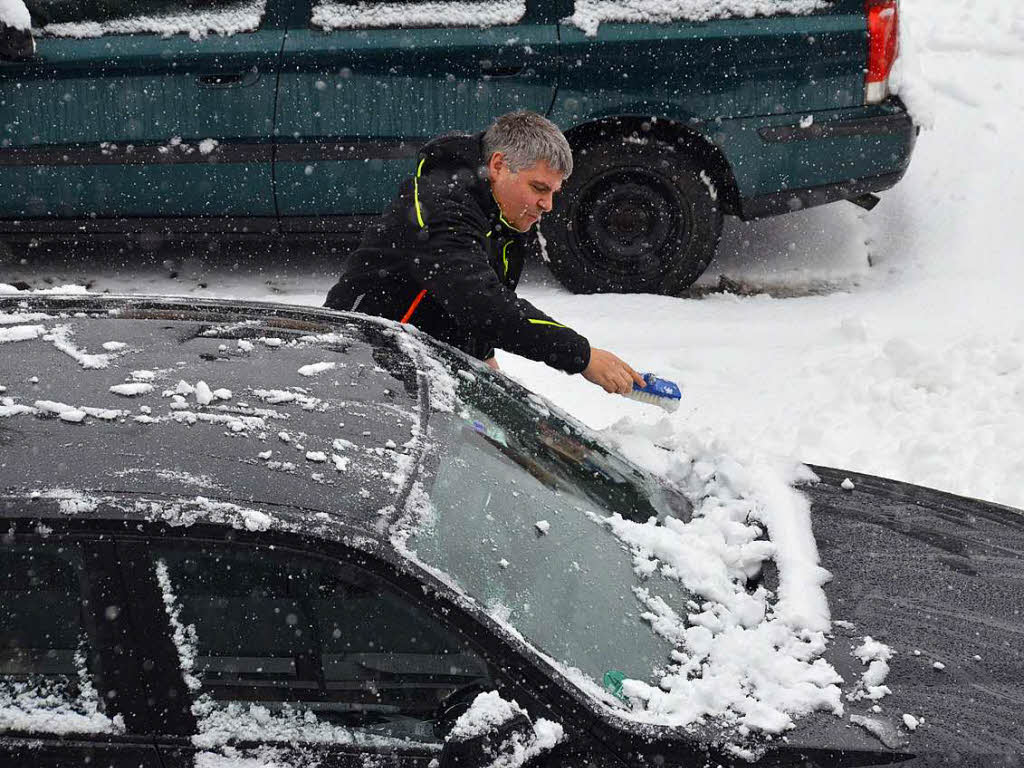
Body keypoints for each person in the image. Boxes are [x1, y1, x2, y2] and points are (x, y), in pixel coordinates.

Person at [324, 110, 645, 395]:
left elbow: (481, 297)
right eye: (539, 188)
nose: (547, 205)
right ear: (499, 165)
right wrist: (583, 355)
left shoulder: (501, 209)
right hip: (358, 358)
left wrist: (484, 360)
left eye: (553, 192)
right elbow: (479, 301)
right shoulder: (438, 205)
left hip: (417, 359)